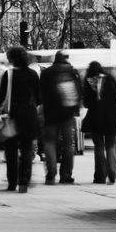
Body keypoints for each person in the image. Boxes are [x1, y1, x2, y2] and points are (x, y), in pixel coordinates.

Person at [0, 46, 40, 193]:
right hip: (29, 115)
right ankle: (24, 179)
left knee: (11, 149)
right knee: (27, 148)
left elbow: (2, 97)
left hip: (12, 116)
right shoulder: (33, 74)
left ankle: (12, 182)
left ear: (12, 58)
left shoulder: (8, 74)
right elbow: (38, 97)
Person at [40, 50, 81, 184]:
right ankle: (66, 175)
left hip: (50, 112)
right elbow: (79, 91)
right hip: (68, 112)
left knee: (50, 142)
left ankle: (51, 174)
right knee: (68, 143)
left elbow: (41, 92)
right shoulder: (72, 71)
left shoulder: (46, 72)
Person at [82, 60, 116, 184]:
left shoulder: (88, 81)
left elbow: (86, 103)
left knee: (99, 146)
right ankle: (112, 173)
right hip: (111, 116)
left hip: (96, 117)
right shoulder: (110, 79)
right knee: (111, 145)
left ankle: (100, 176)